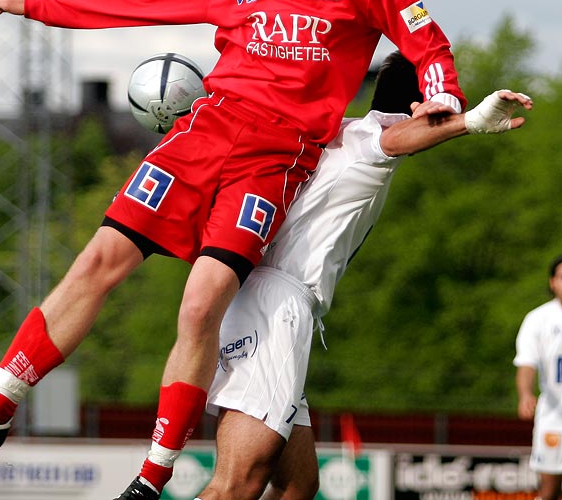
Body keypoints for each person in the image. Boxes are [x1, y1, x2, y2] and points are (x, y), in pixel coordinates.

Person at [0, 0, 466, 500]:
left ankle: (153, 477)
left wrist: (447, 97)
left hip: (275, 155)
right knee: (98, 260)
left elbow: (424, 39)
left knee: (202, 302)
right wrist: (35, 3)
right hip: (205, 132)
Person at [190, 54, 532, 500]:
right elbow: (397, 139)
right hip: (274, 308)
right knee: (238, 484)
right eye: (444, 100)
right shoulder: (373, 138)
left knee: (298, 484)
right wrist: (471, 120)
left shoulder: (341, 132)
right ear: (421, 105)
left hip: (260, 303)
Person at [514, 255, 562, 500]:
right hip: (554, 418)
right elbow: (526, 364)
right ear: (552, 282)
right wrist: (525, 394)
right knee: (550, 491)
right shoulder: (538, 319)